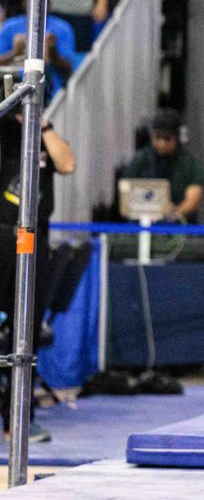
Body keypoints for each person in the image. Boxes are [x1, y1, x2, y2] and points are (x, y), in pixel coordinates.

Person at [0, 113, 76, 443]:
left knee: (26, 333)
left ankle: (18, 418)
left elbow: (68, 164)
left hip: (33, 243)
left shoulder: (43, 135)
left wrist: (42, 125)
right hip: (2, 237)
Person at [122, 108, 204, 222]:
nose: (162, 143)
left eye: (167, 139)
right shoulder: (141, 159)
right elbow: (127, 194)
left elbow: (193, 198)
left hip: (179, 231)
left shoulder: (190, 163)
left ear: (177, 138)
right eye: (157, 137)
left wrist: (175, 213)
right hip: (142, 226)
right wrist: (151, 210)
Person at [0, 0, 81, 99]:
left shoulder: (62, 28)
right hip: (12, 91)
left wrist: (53, 51)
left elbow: (69, 69)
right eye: (33, 1)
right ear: (24, 2)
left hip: (51, 94)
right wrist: (14, 52)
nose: (38, 5)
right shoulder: (9, 27)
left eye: (44, 0)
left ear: (50, 3)